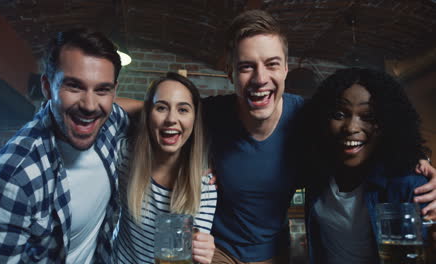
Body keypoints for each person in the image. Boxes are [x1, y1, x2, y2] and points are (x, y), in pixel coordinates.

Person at [116, 10, 436, 263]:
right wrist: (91, 99)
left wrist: (417, 163)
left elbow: (364, 139)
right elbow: (158, 111)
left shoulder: (311, 119)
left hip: (276, 252)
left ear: (285, 69)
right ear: (230, 73)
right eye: (246, 67)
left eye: (271, 65)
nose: (260, 79)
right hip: (217, 252)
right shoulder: (211, 115)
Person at [0, 28, 129, 263]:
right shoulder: (14, 179)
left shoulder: (109, 120)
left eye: (102, 90)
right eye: (74, 86)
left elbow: (146, 112)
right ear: (47, 86)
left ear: (113, 92)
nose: (89, 105)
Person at [302, 68, 432, 263]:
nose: (351, 128)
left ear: (389, 123)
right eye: (339, 114)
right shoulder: (316, 171)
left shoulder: (409, 184)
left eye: (368, 116)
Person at [113, 72, 217, 264]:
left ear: (195, 119)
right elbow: (101, 106)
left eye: (183, 110)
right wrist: (146, 110)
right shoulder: (127, 155)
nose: (171, 119)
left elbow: (187, 256)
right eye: (161, 108)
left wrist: (202, 252)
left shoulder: (205, 185)